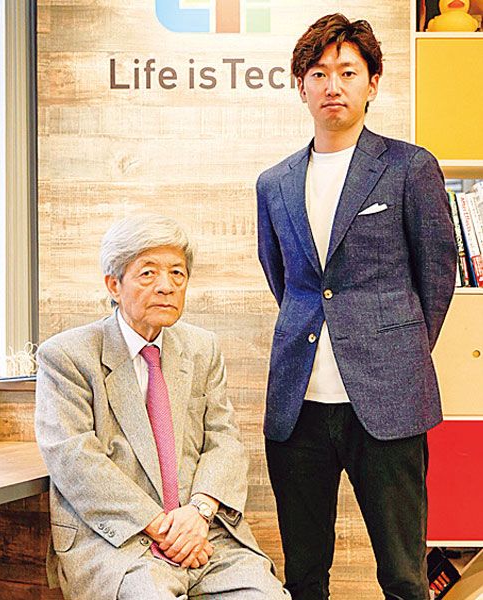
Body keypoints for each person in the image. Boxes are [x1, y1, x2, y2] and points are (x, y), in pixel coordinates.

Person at [256, 13, 457, 600]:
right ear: (301, 86)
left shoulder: (409, 167)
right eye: (318, 73)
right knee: (304, 575)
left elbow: (436, 276)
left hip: (389, 399)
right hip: (298, 404)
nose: (332, 85)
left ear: (372, 83)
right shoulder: (274, 182)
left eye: (347, 71)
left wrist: (395, 349)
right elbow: (284, 278)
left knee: (404, 575)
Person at [35, 214, 289, 600]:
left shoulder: (202, 348)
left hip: (203, 534)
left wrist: (199, 513)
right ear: (114, 284)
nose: (166, 286)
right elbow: (75, 459)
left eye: (177, 273)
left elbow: (224, 441)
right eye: (148, 273)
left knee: (265, 595)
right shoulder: (68, 356)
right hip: (118, 542)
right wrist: (162, 527)